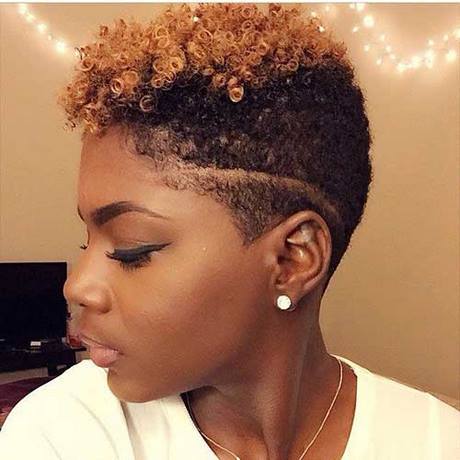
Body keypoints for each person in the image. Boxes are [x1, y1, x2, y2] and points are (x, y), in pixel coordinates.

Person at [1, 3, 458, 459]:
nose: (77, 285)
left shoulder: (437, 441)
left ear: (293, 260)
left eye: (131, 249)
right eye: (87, 241)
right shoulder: (62, 434)